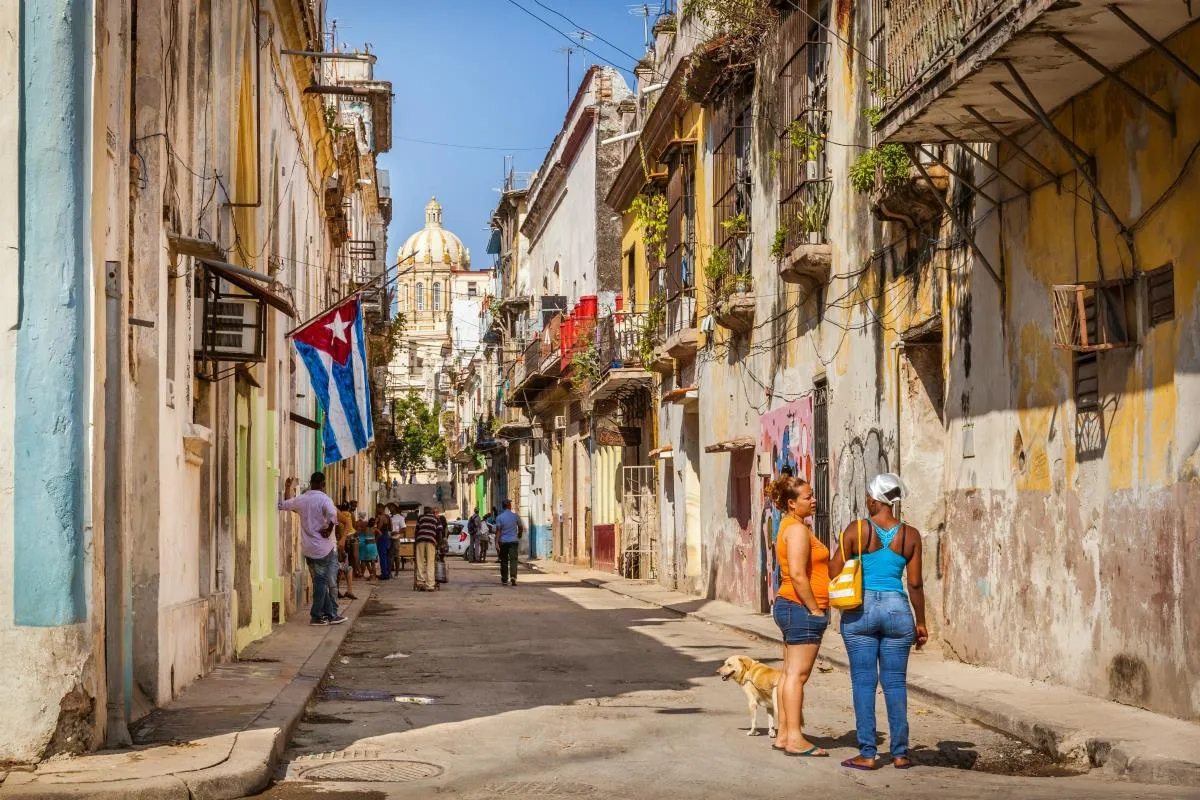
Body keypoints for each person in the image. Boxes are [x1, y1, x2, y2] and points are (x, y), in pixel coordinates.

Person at [829, 473, 928, 771]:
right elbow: (915, 584)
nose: (866, 502)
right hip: (898, 610)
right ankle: (900, 753)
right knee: (895, 683)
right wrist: (920, 622)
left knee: (863, 682)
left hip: (862, 608)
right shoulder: (910, 536)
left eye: (868, 497)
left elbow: (835, 570)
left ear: (874, 500)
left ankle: (868, 753)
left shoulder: (857, 529)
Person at [768, 475, 830, 757]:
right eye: (807, 497)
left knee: (789, 674)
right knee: (797, 676)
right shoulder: (796, 530)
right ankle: (794, 737)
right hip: (800, 606)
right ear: (792, 504)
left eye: (813, 494)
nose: (813, 500)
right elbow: (796, 573)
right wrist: (815, 609)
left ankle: (783, 734)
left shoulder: (791, 526)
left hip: (791, 606)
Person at [277, 473, 346, 625]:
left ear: (311, 483)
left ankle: (330, 614)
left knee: (320, 581)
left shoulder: (302, 499)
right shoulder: (324, 499)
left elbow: (284, 504)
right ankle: (316, 615)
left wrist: (287, 488)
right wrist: (328, 529)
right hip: (323, 548)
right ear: (323, 484)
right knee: (322, 583)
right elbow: (333, 515)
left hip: (308, 548)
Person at [494, 499, 524, 586]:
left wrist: (496, 542)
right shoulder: (515, 516)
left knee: (504, 560)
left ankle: (504, 579)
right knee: (513, 560)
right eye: (510, 504)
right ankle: (513, 577)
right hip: (513, 541)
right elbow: (520, 526)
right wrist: (519, 534)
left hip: (503, 542)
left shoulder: (499, 517)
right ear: (509, 506)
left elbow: (498, 531)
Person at [414, 506, 441, 591]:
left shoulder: (420, 518)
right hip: (431, 541)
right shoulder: (436, 519)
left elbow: (416, 530)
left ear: (424, 512)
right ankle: (430, 585)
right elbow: (439, 531)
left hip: (420, 540)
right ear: (432, 512)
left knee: (420, 561)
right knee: (430, 562)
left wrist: (416, 542)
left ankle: (420, 583)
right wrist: (438, 543)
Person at [375, 504, 392, 580]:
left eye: (377, 508)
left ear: (380, 508)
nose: (376, 510)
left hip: (381, 537)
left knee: (382, 556)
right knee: (387, 556)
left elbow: (378, 528)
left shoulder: (379, 517)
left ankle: (384, 574)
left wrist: (376, 539)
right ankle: (388, 573)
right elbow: (391, 528)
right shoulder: (388, 517)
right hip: (387, 537)